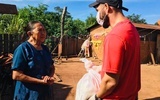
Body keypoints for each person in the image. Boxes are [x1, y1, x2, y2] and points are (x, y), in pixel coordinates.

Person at [89, 0, 141, 99]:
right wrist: (103, 68)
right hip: (131, 96)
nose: (97, 14)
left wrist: (95, 97)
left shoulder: (115, 36)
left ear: (106, 7)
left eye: (97, 10)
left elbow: (110, 82)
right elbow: (126, 65)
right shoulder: (132, 30)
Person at [11, 21, 55, 100]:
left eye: (44, 30)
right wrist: (40, 81)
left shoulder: (45, 49)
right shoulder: (23, 49)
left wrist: (50, 77)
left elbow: (52, 67)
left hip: (44, 94)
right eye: (40, 30)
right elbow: (16, 75)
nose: (43, 33)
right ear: (30, 33)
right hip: (27, 95)